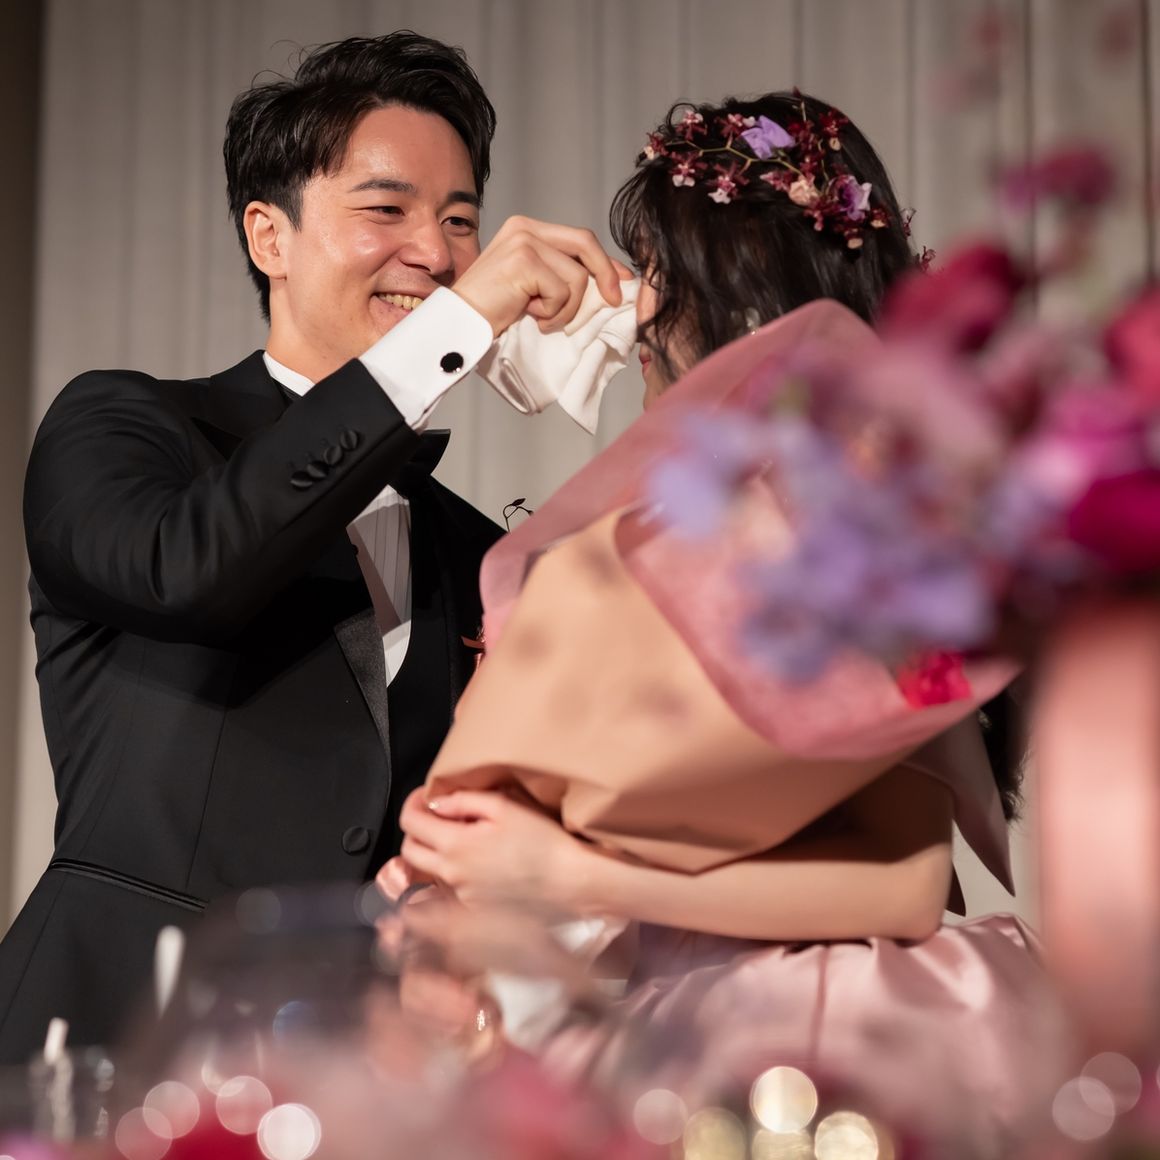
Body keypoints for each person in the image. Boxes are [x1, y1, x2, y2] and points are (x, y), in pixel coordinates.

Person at [382, 93, 1067, 1150]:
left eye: (653, 267)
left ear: (729, 286)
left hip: (810, 1024)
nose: (631, 307)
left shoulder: (853, 529)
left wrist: (564, 871)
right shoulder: (655, 535)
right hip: (655, 1007)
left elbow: (901, 884)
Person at [0, 30, 628, 1064]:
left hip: (355, 1081)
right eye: (386, 210)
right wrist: (447, 332)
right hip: (114, 1038)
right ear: (270, 236)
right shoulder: (125, 426)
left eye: (459, 220)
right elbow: (191, 569)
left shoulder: (476, 551)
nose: (435, 255)